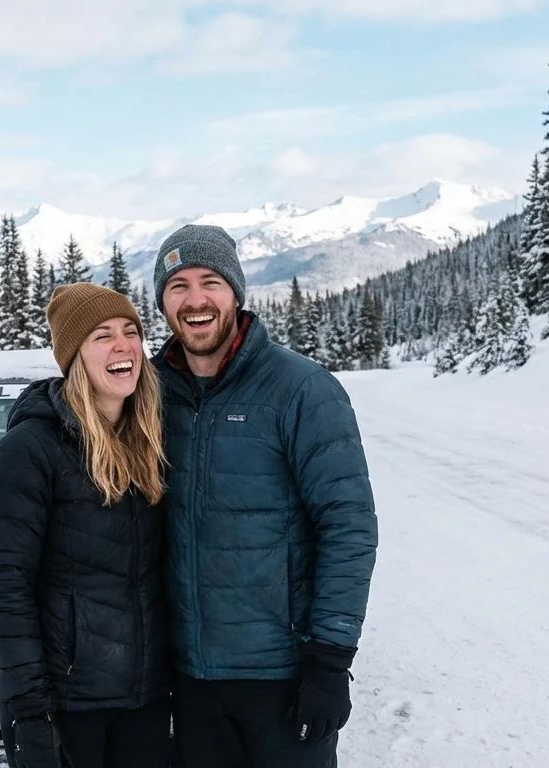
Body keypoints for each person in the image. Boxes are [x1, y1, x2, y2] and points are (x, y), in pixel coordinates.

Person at [150, 224, 379, 768]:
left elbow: (348, 527)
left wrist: (329, 661)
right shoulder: (150, 394)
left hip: (282, 675)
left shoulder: (301, 389)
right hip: (188, 679)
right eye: (178, 286)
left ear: (235, 292)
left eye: (210, 282)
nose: (195, 300)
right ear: (163, 303)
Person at [0, 283, 171, 768]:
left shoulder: (150, 440)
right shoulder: (28, 450)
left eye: (130, 331)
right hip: (67, 707)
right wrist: (30, 712)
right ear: (74, 357)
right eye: (102, 336)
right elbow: (5, 588)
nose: (123, 345)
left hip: (145, 701)